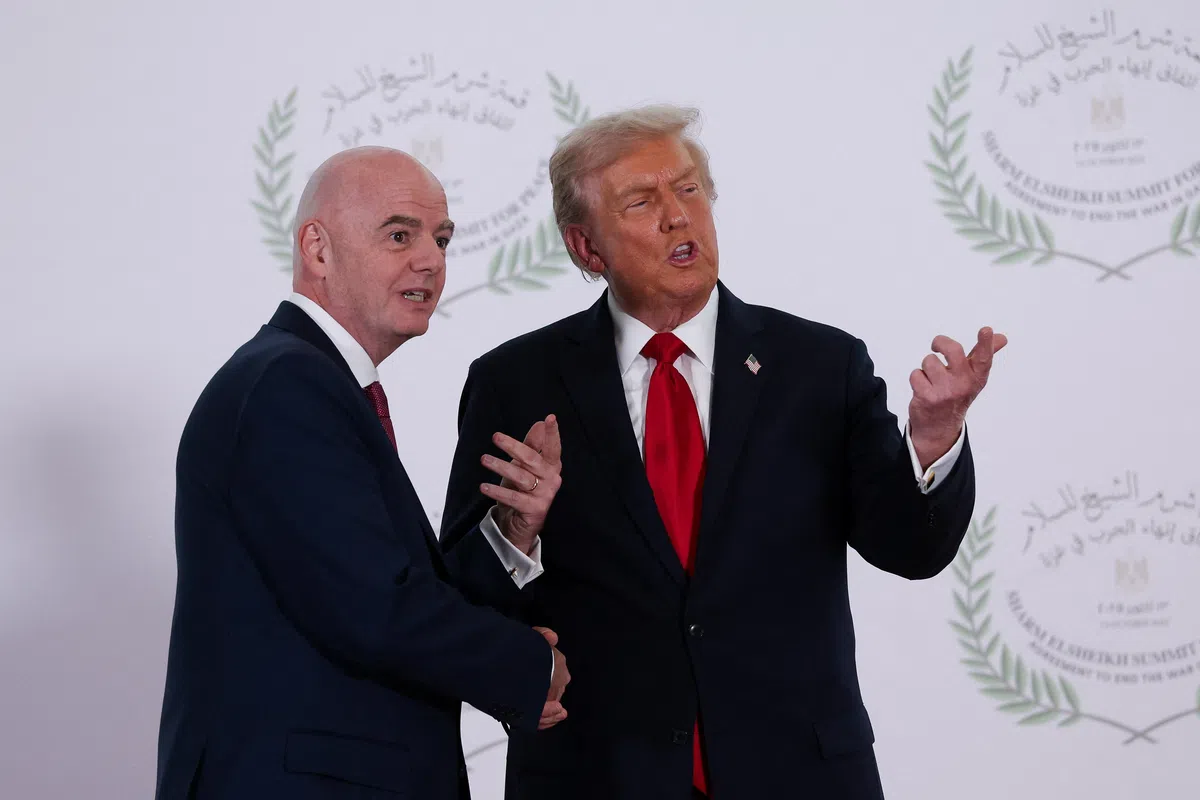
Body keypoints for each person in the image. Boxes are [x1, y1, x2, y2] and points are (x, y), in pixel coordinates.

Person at [440, 107, 1006, 799]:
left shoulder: (820, 366)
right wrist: (513, 531)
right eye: (642, 202)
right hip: (595, 776)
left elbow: (911, 549)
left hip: (799, 775)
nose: (678, 216)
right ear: (587, 248)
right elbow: (461, 604)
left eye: (688, 189)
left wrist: (935, 439)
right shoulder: (516, 382)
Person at [156, 146, 569, 800]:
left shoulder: (308, 379)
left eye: (441, 239)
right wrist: (529, 666)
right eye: (399, 235)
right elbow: (375, 608)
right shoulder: (286, 384)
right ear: (317, 250)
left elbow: (376, 587)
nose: (431, 260)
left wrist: (512, 529)